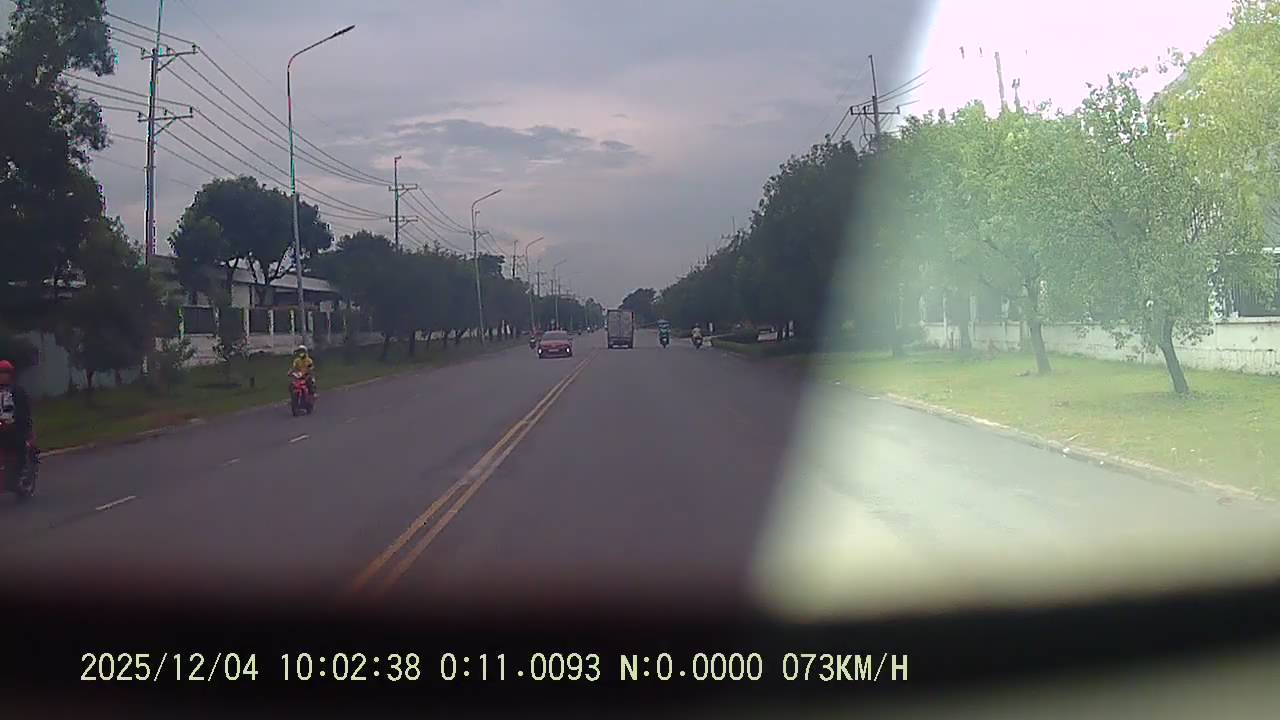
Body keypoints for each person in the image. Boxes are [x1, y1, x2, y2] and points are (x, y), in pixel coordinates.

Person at [0, 360, 33, 487]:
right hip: (2, 426)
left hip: (14, 426)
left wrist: (16, 421)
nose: (3, 376)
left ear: (10, 374)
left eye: (5, 373)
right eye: (1, 373)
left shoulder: (17, 390)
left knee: (18, 445)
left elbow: (24, 409)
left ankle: (19, 473)